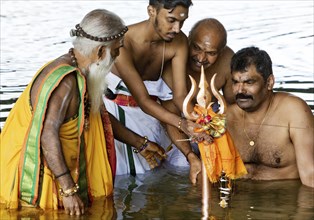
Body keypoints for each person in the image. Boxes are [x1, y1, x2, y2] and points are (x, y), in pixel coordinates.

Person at [0, 9, 166, 215]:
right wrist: (68, 190)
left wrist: (140, 144)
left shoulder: (81, 72)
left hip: (60, 175)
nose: (117, 56)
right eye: (115, 50)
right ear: (99, 52)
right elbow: (47, 135)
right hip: (39, 181)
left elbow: (98, 117)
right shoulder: (66, 83)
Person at [104, 0, 210, 176]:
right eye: (171, 20)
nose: (177, 28)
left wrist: (203, 122)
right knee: (125, 178)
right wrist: (182, 124)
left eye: (182, 22)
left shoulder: (179, 41)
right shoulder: (123, 41)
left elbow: (180, 96)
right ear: (151, 11)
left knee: (162, 176)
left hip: (154, 117)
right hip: (118, 114)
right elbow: (143, 100)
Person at [226, 46, 314, 188]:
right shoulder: (228, 117)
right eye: (235, 82)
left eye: (249, 82)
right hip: (241, 201)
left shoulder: (294, 111)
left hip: (284, 201)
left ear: (269, 83)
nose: (240, 90)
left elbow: (310, 176)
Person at [161, 18, 235, 184]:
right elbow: (168, 116)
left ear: (221, 52)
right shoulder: (173, 58)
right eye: (196, 48)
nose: (201, 58)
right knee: (179, 168)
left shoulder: (229, 60)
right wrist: (190, 156)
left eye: (211, 53)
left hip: (212, 124)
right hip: (177, 127)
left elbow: (233, 108)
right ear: (188, 40)